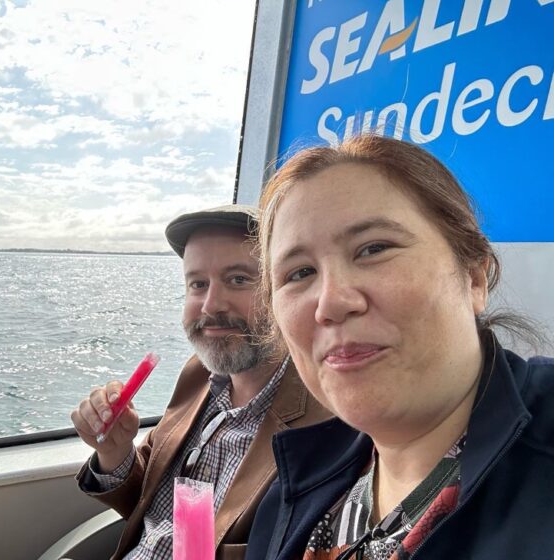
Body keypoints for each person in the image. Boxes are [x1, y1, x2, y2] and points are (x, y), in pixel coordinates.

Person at [245, 134, 554, 560]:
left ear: (474, 277)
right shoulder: (290, 491)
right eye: (299, 273)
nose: (331, 303)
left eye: (374, 249)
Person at [71, 204, 331, 560]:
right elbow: (151, 505)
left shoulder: (327, 420)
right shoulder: (198, 376)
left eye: (238, 279)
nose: (210, 305)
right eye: (197, 284)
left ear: (286, 290)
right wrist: (115, 453)